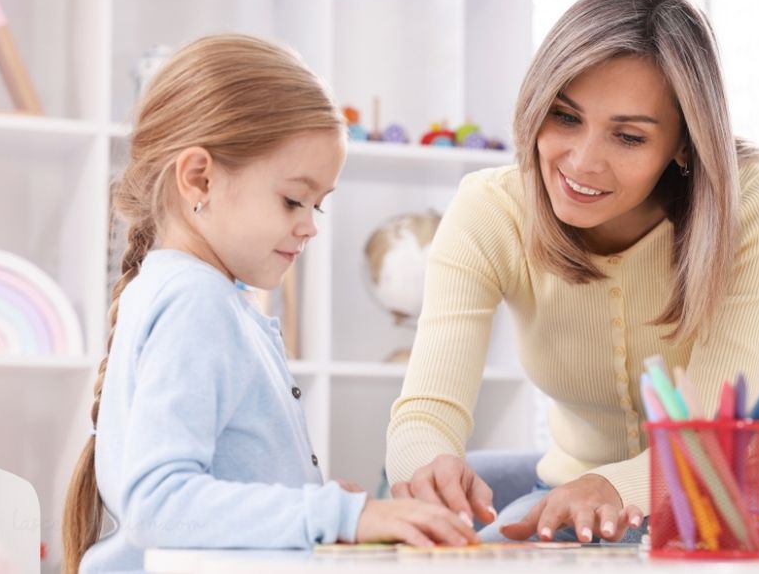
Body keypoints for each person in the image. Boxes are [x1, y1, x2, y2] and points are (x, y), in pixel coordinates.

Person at [385, 0, 759, 545]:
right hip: (576, 503)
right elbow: (427, 407)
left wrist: (615, 489)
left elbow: (711, 435)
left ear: (684, 144)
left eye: (627, 136)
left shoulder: (757, 200)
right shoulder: (490, 210)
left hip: (745, 491)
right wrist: (428, 465)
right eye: (566, 118)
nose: (583, 162)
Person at [62, 34, 478, 574]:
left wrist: (310, 505)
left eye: (318, 206)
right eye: (292, 200)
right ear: (200, 178)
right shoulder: (195, 301)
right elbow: (159, 505)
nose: (308, 226)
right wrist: (335, 514)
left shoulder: (200, 295)